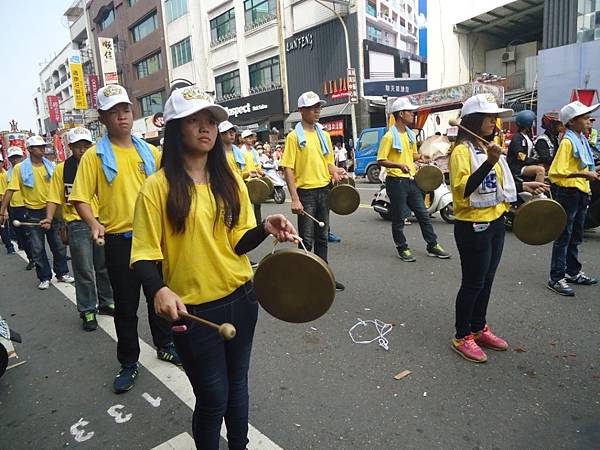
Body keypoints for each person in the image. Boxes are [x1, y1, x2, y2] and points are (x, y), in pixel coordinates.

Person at [130, 86, 297, 449]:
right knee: (213, 399)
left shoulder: (230, 179)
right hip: (194, 314)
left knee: (237, 387)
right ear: (175, 129)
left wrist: (264, 229)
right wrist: (159, 288)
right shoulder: (155, 189)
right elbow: (142, 255)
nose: (206, 128)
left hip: (242, 299)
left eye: (211, 121)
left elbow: (238, 242)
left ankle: (240, 444)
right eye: (194, 121)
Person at [69, 84, 179, 393]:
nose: (122, 116)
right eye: (114, 112)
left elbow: (169, 188)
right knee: (126, 307)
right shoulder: (93, 157)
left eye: (126, 110)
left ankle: (165, 343)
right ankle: (129, 362)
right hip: (120, 241)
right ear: (102, 118)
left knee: (159, 296)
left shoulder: (150, 151)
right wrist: (93, 223)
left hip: (154, 239)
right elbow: (81, 198)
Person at [449, 94, 549, 363]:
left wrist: (524, 186)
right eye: (490, 117)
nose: (495, 122)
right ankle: (462, 335)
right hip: (472, 226)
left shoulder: (488, 146)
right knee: (473, 283)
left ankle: (478, 327)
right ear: (474, 119)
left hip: (495, 222)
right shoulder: (462, 152)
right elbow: (465, 191)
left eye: (495, 117)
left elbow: (501, 183)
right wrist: (490, 162)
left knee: (487, 279)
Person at [41, 127, 114, 331]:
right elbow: (54, 197)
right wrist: (48, 217)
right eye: (77, 146)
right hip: (77, 223)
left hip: (102, 220)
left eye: (86, 145)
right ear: (70, 147)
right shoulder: (62, 169)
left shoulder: (100, 163)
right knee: (84, 270)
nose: (82, 150)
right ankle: (88, 309)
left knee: (103, 266)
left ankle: (107, 301)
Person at [281, 91, 346, 291]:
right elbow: (288, 168)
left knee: (322, 237)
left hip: (324, 191)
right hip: (306, 194)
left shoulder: (324, 134)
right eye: (312, 107)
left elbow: (327, 163)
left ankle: (323, 276)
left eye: (318, 106)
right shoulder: (293, 137)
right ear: (301, 111)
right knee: (306, 240)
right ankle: (305, 278)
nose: (317, 110)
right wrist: (294, 198)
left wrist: (336, 170)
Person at [377, 97, 450, 262]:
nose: (413, 114)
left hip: (411, 181)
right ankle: (402, 247)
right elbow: (381, 160)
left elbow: (410, 155)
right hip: (396, 182)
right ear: (401, 114)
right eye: (410, 111)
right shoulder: (389, 137)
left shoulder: (409, 135)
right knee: (399, 217)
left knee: (423, 215)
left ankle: (432, 245)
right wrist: (398, 165)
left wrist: (421, 157)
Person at [0, 136, 74, 290]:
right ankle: (45, 276)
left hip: (53, 210)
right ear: (29, 150)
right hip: (33, 213)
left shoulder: (52, 166)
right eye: (38, 146)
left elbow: (61, 188)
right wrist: (3, 210)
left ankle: (61, 273)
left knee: (59, 245)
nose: (42, 148)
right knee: (37, 248)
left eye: (43, 146)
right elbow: (11, 189)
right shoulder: (21, 168)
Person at [546, 101, 600, 296]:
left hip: (581, 193)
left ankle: (572, 272)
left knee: (576, 235)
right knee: (564, 236)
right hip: (569, 194)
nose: (589, 121)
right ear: (573, 122)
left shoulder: (581, 139)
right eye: (585, 118)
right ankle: (556, 277)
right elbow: (556, 172)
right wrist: (585, 175)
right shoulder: (568, 142)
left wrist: (591, 172)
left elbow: (583, 167)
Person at [1, 146, 33, 267]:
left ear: (22, 157)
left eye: (17, 157)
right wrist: (4, 210)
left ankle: (39, 259)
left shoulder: (28, 169)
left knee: (33, 236)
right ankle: (31, 258)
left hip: (28, 206)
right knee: (21, 237)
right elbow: (6, 192)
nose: (15, 160)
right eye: (12, 158)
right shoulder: (8, 174)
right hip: (15, 208)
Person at [507, 110, 546, 182]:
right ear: (528, 123)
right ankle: (538, 191)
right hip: (518, 167)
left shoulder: (526, 136)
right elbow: (520, 155)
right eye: (532, 121)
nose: (534, 123)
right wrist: (534, 161)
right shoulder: (517, 138)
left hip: (524, 165)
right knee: (540, 170)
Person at [0, 152, 16, 254]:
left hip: (8, 201)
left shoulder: (5, 173)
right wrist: (4, 209)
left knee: (10, 222)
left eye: (0, 162)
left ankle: (14, 239)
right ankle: (9, 247)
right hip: (2, 202)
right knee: (3, 224)